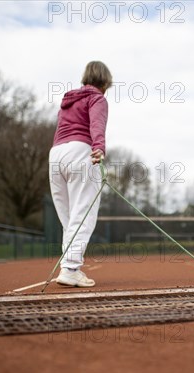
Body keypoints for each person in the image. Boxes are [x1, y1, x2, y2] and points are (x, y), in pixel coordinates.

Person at [49, 61, 112, 287]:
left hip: (56, 155)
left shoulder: (67, 101)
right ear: (105, 81)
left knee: (69, 218)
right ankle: (71, 268)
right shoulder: (97, 98)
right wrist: (99, 148)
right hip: (80, 152)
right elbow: (97, 124)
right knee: (83, 213)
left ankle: (70, 266)